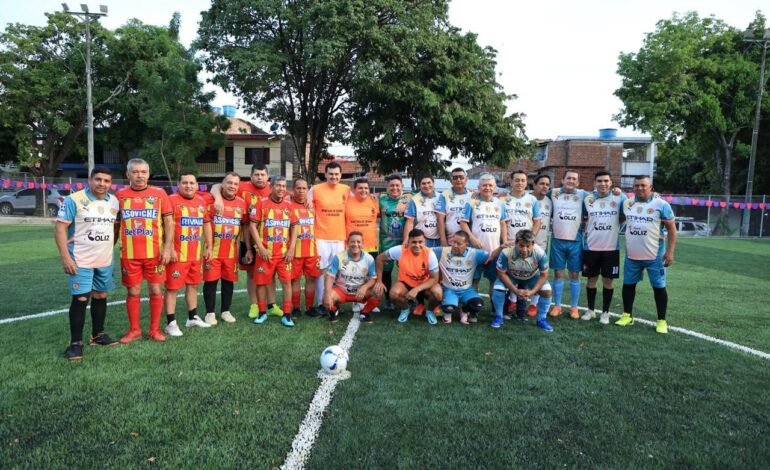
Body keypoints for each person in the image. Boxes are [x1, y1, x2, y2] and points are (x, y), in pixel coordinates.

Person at [55, 167, 120, 360]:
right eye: (98, 179)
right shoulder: (73, 200)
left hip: (104, 259)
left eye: (106, 181)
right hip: (80, 259)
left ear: (110, 183)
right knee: (81, 298)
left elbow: (114, 229)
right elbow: (60, 229)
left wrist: (109, 245)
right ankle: (75, 343)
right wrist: (66, 257)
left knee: (100, 295)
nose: (102, 184)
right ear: (90, 180)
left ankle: (97, 335)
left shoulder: (114, 202)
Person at [116, 158, 175, 343]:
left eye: (143, 172)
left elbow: (169, 223)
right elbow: (114, 224)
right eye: (135, 172)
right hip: (129, 254)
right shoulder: (120, 196)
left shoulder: (159, 194)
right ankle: (134, 330)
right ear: (128, 174)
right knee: (133, 292)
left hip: (155, 254)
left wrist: (167, 248)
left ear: (148, 174)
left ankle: (154, 329)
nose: (139, 175)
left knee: (156, 290)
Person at [210, 164, 275, 319]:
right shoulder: (241, 186)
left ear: (268, 178)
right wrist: (218, 198)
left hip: (269, 239)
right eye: (256, 174)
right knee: (252, 273)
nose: (259, 177)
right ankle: (254, 305)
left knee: (270, 274)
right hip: (247, 237)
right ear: (251, 177)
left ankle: (272, 305)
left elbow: (291, 196)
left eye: (262, 175)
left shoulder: (273, 189)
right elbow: (217, 186)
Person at [616, 175, 677, 334]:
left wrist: (669, 252)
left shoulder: (661, 204)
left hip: (654, 256)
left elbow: (671, 229)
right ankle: (627, 315)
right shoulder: (627, 203)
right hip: (632, 255)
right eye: (637, 186)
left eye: (643, 185)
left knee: (659, 287)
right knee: (628, 285)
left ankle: (662, 321)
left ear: (651, 188)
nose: (640, 188)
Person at [163, 173, 212, 337]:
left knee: (193, 285)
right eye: (185, 183)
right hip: (177, 255)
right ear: (178, 184)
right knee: (172, 288)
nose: (189, 186)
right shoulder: (171, 199)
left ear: (197, 185)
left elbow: (206, 224)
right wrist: (169, 248)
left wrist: (209, 246)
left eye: (192, 183)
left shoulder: (201, 201)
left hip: (194, 254)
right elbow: (164, 226)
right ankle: (171, 323)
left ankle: (192, 317)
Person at [459, 173, 509, 322]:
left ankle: (496, 310)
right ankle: (473, 311)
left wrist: (504, 242)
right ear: (479, 187)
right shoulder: (471, 203)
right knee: (474, 281)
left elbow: (503, 223)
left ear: (494, 187)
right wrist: (472, 239)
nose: (487, 187)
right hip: (476, 252)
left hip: (495, 251)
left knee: (495, 281)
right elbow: (463, 223)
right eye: (484, 185)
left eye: (490, 185)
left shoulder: (500, 204)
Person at [250, 176, 298, 327]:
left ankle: (287, 315)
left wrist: (291, 248)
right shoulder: (261, 203)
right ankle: (262, 312)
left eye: (284, 186)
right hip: (266, 254)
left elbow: (294, 226)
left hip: (284, 255)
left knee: (286, 283)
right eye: (278, 185)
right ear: (271, 186)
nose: (281, 189)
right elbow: (252, 226)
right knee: (261, 283)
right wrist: (261, 247)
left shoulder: (289, 205)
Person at [201, 172, 249, 325]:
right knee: (211, 282)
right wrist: (217, 196)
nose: (232, 186)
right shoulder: (209, 200)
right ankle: (210, 313)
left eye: (235, 184)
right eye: (229, 183)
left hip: (231, 252)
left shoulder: (242, 203)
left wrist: (247, 248)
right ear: (222, 183)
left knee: (228, 282)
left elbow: (245, 225)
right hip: (212, 250)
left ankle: (225, 311)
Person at [581, 171, 626, 325]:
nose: (603, 184)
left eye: (606, 181)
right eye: (599, 181)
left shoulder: (619, 197)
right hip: (591, 247)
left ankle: (605, 313)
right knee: (591, 280)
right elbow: (583, 219)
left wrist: (656, 195)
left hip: (611, 248)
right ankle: (590, 310)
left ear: (611, 183)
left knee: (608, 281)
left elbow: (627, 213)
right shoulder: (588, 199)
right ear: (595, 183)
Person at [374, 229, 442, 325]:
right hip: (405, 284)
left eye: (420, 242)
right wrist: (379, 281)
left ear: (424, 242)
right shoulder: (400, 250)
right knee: (393, 294)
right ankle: (405, 309)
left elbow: (434, 278)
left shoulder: (430, 254)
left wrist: (417, 289)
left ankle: (430, 311)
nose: (417, 245)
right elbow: (380, 258)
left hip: (424, 284)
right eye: (414, 242)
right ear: (408, 242)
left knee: (438, 293)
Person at [308, 161, 350, 312]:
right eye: (331, 174)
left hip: (340, 237)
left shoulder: (346, 190)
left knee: (338, 272)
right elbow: (307, 210)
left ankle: (334, 300)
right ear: (325, 174)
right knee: (320, 271)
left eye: (336, 174)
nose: (334, 177)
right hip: (320, 237)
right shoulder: (315, 189)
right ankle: (321, 303)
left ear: (341, 175)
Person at [492, 230, 553, 332]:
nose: (524, 249)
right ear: (516, 243)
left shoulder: (540, 253)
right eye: (521, 245)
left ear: (533, 244)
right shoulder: (506, 252)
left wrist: (532, 292)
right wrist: (515, 290)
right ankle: (499, 317)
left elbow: (544, 274)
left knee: (547, 291)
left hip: (532, 277)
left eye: (528, 246)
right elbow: (501, 273)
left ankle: (542, 319)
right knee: (498, 288)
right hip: (512, 276)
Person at [432, 231, 497, 324]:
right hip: (449, 289)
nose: (455, 245)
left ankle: (464, 309)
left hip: (467, 290)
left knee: (477, 305)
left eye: (459, 243)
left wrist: (502, 247)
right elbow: (425, 251)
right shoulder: (442, 251)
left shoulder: (475, 253)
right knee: (449, 309)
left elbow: (492, 256)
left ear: (466, 244)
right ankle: (446, 312)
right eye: (453, 242)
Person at [548, 170, 588, 320]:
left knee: (574, 274)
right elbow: (537, 195)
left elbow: (600, 196)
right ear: (562, 180)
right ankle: (557, 306)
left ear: (578, 182)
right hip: (557, 240)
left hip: (576, 241)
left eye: (574, 179)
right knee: (558, 273)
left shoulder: (583, 195)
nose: (571, 181)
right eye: (568, 178)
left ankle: (574, 308)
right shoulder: (553, 193)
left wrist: (617, 192)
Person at [500, 170, 541, 316]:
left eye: (523, 180)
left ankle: (521, 312)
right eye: (517, 180)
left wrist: (531, 239)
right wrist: (505, 241)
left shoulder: (533, 200)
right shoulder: (503, 200)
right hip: (510, 244)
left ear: (526, 182)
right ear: (511, 182)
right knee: (507, 276)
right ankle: (505, 309)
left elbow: (537, 221)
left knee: (524, 276)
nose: (520, 183)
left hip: (526, 246)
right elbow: (502, 222)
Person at [324, 232, 380, 322]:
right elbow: (329, 277)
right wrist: (327, 295)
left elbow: (373, 278)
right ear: (347, 243)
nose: (355, 244)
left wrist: (364, 288)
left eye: (358, 242)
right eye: (352, 242)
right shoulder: (339, 257)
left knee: (378, 291)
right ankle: (335, 310)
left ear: (363, 244)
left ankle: (365, 313)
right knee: (326, 298)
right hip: (342, 292)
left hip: (360, 293)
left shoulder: (369, 258)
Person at [288, 177, 322, 318]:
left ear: (307, 189)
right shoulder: (288, 206)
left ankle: (309, 307)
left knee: (311, 279)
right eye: (298, 188)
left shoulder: (312, 206)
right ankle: (296, 308)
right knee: (294, 280)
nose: (301, 191)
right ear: (293, 190)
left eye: (304, 188)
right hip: (294, 251)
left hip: (311, 250)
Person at [377, 175, 411, 306]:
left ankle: (409, 298)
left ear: (402, 186)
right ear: (387, 187)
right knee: (386, 271)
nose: (395, 188)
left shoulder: (410, 197)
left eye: (397, 185)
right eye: (392, 185)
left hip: (405, 242)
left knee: (408, 271)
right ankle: (388, 300)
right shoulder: (381, 198)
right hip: (386, 242)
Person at [529, 174, 552, 317]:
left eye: (547, 184)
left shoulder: (550, 202)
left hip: (541, 245)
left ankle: (533, 304)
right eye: (542, 183)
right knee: (517, 271)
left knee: (537, 275)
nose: (544, 186)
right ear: (534, 185)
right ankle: (513, 300)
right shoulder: (527, 199)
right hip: (523, 244)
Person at [435, 167, 473, 247]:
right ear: (451, 181)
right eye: (455, 178)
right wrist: (443, 240)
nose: (458, 180)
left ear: (466, 180)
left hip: (469, 241)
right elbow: (440, 220)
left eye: (461, 177)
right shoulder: (444, 195)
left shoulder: (472, 196)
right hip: (451, 241)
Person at [404, 175, 440, 248]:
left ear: (433, 183)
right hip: (422, 241)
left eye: (429, 183)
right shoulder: (414, 200)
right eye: (423, 183)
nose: (426, 186)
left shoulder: (441, 197)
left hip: (440, 240)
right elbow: (409, 222)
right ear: (420, 185)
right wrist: (406, 240)